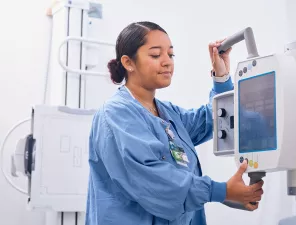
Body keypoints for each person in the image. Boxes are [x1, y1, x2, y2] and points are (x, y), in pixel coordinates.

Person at [85, 21, 264, 225]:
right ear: (128, 63)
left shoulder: (168, 114)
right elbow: (155, 181)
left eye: (170, 55)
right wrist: (220, 191)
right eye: (155, 55)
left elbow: (215, 118)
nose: (167, 62)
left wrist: (221, 76)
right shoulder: (116, 115)